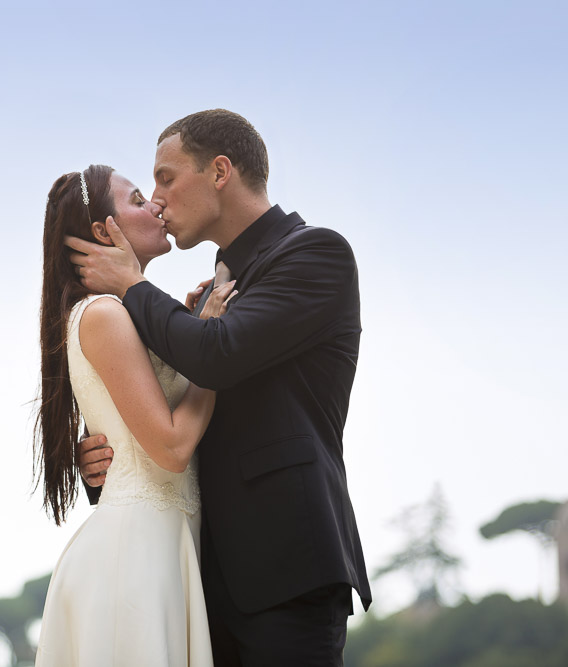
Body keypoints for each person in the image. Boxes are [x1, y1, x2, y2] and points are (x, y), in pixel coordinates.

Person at [67, 110, 373, 666]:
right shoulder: (208, 295)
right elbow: (167, 410)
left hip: (287, 570)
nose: (156, 200)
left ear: (221, 171)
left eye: (165, 178)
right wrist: (108, 457)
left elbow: (218, 356)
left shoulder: (315, 255)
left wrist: (133, 284)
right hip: (194, 580)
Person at [33, 165, 230, 666]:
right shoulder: (103, 315)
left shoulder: (127, 315)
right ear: (105, 231)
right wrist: (209, 351)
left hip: (163, 546)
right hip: (134, 559)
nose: (157, 206)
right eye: (140, 199)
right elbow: (171, 447)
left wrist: (186, 333)